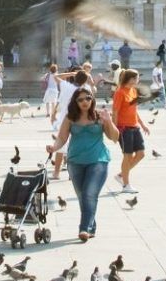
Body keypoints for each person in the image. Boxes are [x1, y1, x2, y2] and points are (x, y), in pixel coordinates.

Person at [47, 84, 118, 241]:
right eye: (80, 100)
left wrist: (109, 122)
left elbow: (114, 137)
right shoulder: (70, 118)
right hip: (75, 162)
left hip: (98, 160)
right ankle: (91, 225)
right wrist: (54, 147)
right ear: (76, 102)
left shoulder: (100, 116)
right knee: (83, 197)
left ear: (92, 99)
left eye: (88, 98)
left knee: (88, 194)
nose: (85, 101)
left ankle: (84, 228)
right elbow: (62, 138)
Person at [111, 68, 150, 190]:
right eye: (137, 77)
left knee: (141, 154)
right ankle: (126, 184)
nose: (138, 80)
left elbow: (134, 110)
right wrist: (114, 129)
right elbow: (115, 112)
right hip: (124, 128)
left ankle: (122, 175)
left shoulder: (133, 91)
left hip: (134, 127)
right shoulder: (120, 92)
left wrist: (142, 124)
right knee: (127, 156)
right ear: (131, 79)